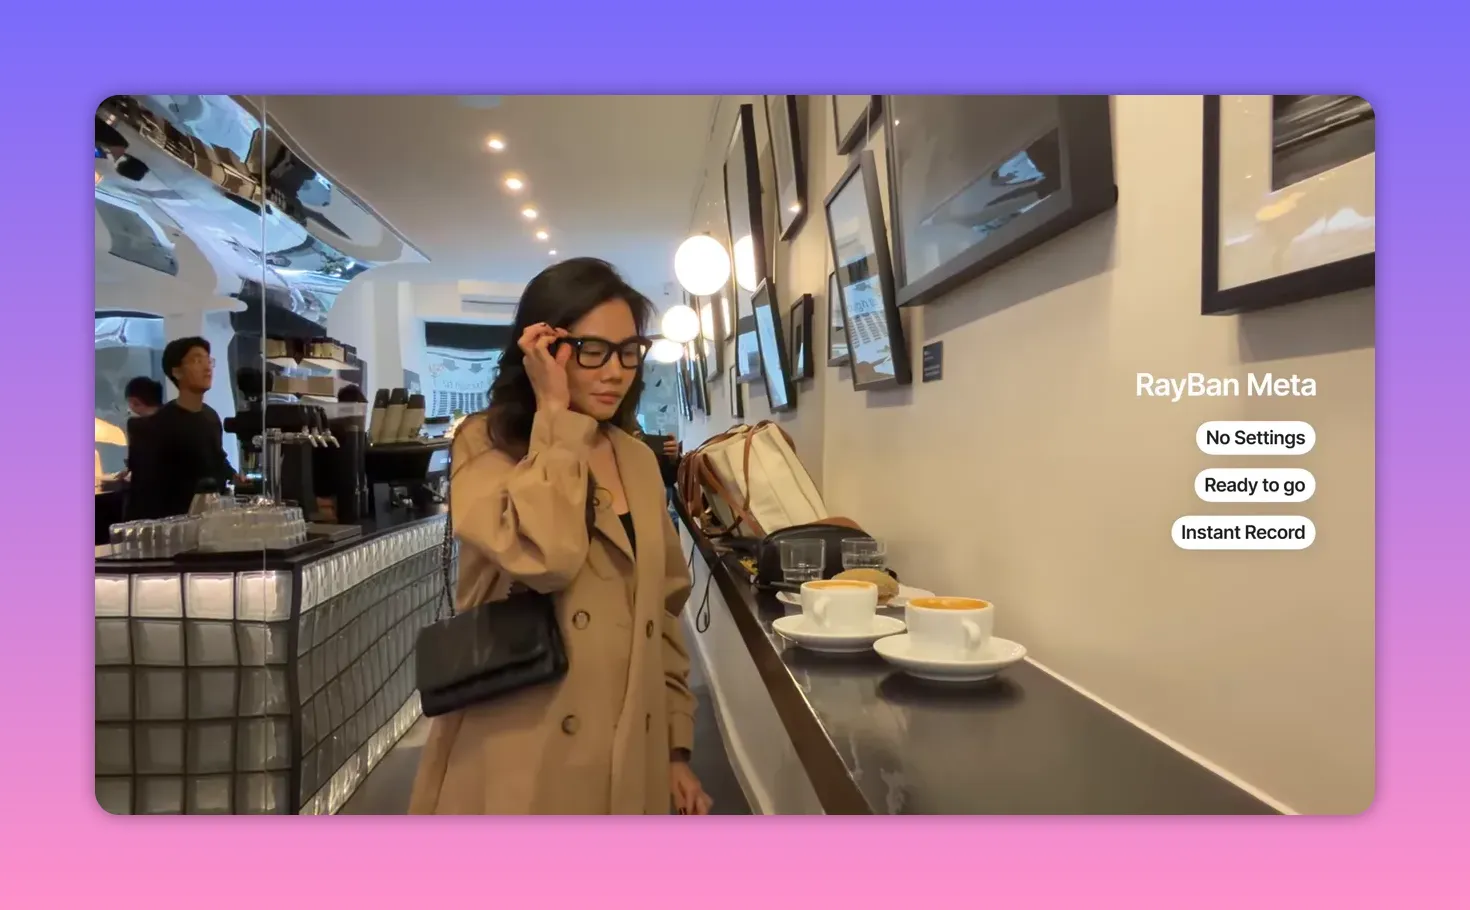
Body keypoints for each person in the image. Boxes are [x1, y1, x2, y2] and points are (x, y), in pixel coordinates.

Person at [409, 258, 713, 815]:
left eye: (628, 350)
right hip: (522, 750)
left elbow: (662, 614)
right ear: (543, 350)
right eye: (590, 349)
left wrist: (674, 747)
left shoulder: (637, 460)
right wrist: (554, 414)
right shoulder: (485, 444)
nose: (616, 371)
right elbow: (546, 556)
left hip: (630, 749)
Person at [125, 337, 239, 520]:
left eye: (208, 361)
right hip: (172, 525)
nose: (206, 367)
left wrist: (233, 475)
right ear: (177, 372)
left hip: (209, 520)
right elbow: (145, 493)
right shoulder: (159, 425)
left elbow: (216, 457)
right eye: (196, 360)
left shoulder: (211, 416)